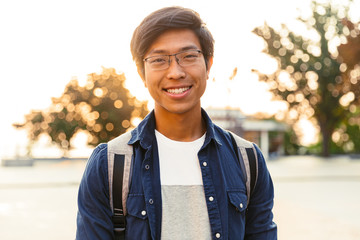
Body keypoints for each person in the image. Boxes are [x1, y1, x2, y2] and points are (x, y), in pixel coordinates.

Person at [76, 6, 277, 240]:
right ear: (142, 73)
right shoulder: (109, 164)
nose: (175, 72)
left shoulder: (247, 160)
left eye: (189, 56)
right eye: (159, 60)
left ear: (208, 64)